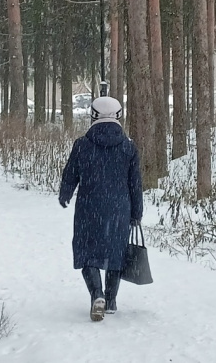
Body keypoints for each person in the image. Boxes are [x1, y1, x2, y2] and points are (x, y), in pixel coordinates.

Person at [58, 96, 143, 322]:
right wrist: (136, 212)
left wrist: (65, 193)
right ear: (118, 115)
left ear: (93, 115)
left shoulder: (82, 145)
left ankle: (97, 295)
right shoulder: (128, 147)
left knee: (88, 252)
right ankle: (111, 300)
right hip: (119, 209)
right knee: (116, 253)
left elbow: (71, 174)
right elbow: (135, 183)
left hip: (89, 207)